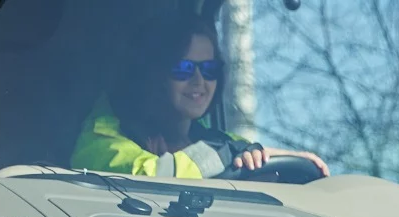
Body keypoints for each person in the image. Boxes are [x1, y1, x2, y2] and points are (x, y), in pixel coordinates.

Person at [72, 16, 327, 180]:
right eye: (183, 69)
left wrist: (270, 156)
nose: (199, 81)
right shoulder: (100, 139)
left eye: (209, 70)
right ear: (155, 75)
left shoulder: (216, 141)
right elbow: (154, 178)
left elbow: (238, 152)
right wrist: (223, 157)